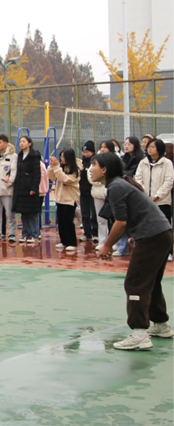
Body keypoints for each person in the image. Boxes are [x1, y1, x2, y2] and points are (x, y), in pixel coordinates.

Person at [91, 153, 173, 350]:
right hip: (161, 234)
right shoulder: (118, 184)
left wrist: (107, 245)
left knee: (135, 283)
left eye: (94, 165)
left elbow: (121, 222)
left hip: (152, 236)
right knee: (150, 282)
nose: (90, 169)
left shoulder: (116, 187)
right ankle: (161, 325)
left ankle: (139, 333)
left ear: (104, 170)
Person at [48, 149, 81, 251]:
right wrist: (52, 166)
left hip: (70, 199)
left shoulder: (76, 170)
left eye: (63, 157)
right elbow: (52, 177)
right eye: (61, 156)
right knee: (61, 221)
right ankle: (64, 241)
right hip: (60, 198)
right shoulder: (61, 167)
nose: (62, 159)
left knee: (68, 221)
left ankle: (72, 242)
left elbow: (64, 179)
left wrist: (57, 168)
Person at [135, 139, 174, 224]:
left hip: (162, 202)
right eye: (149, 147)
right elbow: (138, 179)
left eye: (153, 147)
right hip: (145, 201)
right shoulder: (143, 162)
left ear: (159, 148)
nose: (150, 149)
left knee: (163, 226)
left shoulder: (167, 163)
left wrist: (157, 196)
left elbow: (169, 181)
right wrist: (144, 194)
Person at [13, 136, 41, 243]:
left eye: (24, 141)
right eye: (20, 142)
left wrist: (34, 188)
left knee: (32, 213)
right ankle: (25, 234)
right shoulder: (19, 156)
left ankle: (35, 234)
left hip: (30, 189)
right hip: (21, 189)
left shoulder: (34, 156)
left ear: (29, 143)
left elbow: (37, 174)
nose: (22, 143)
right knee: (23, 213)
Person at [79, 141, 98, 242]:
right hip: (83, 191)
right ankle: (87, 233)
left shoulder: (95, 162)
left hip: (93, 191)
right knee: (85, 213)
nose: (85, 154)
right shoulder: (81, 162)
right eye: (84, 152)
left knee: (94, 213)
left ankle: (95, 232)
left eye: (87, 152)